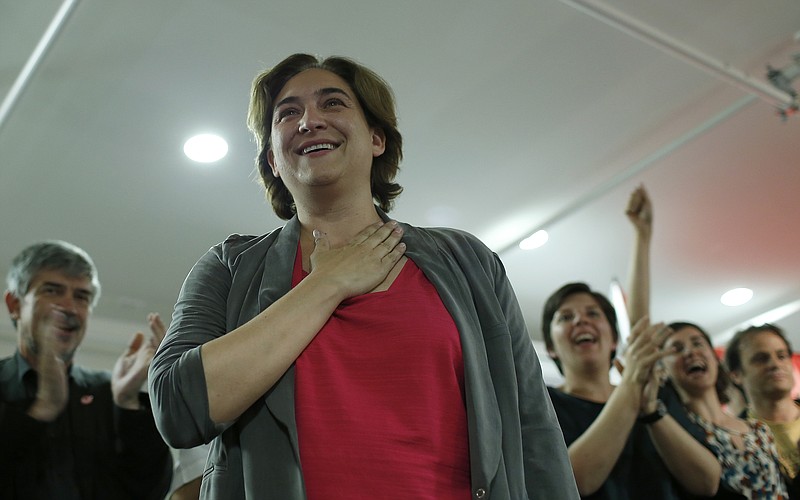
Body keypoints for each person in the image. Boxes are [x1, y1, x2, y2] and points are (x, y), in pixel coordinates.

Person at [148, 53, 578, 500]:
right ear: (273, 160)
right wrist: (327, 283)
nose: (309, 120)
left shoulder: (468, 261)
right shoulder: (228, 265)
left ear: (376, 138)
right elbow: (179, 409)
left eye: (332, 103)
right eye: (288, 113)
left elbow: (534, 431)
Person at [542, 186, 720, 499]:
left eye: (593, 313)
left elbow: (707, 483)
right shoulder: (546, 406)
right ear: (551, 347)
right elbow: (575, 481)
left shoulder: (654, 398)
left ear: (614, 339)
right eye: (565, 317)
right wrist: (632, 386)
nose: (580, 321)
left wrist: (642, 237)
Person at [0, 240, 172, 499]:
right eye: (52, 290)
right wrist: (40, 412)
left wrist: (127, 403)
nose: (70, 307)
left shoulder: (108, 394)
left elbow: (148, 490)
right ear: (14, 305)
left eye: (81, 297)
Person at [661, 322, 787, 499]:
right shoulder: (680, 436)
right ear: (663, 369)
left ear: (714, 357)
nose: (690, 352)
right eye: (677, 349)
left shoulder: (759, 430)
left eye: (698, 343)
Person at [725, 323, 800, 497]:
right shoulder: (737, 440)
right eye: (761, 359)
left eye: (781, 356)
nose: (775, 364)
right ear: (736, 374)